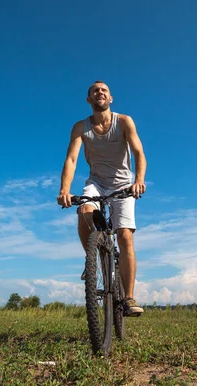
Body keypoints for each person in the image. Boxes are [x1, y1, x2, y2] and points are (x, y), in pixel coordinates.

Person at [57, 81, 147, 316]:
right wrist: (64, 190)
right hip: (96, 183)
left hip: (123, 184)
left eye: (104, 90)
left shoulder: (124, 121)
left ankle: (128, 298)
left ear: (111, 98)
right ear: (89, 99)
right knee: (84, 211)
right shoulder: (80, 127)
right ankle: (92, 261)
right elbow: (72, 159)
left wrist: (138, 180)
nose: (100, 92)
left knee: (124, 234)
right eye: (95, 90)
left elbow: (139, 153)